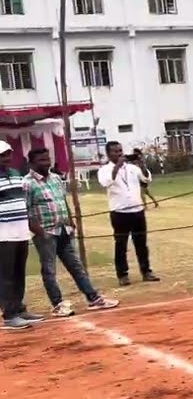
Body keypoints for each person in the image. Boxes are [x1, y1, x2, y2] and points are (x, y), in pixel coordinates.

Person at [25, 147, 118, 318]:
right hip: (46, 233)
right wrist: (39, 232)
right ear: (31, 163)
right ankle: (57, 304)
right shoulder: (27, 184)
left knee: (76, 266)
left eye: (47, 159)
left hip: (63, 230)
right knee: (49, 270)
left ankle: (93, 298)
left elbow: (62, 201)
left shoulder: (55, 178)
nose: (46, 163)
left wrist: (71, 222)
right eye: (41, 160)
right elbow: (27, 211)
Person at [98, 141, 159, 286]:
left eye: (120, 150)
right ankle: (122, 275)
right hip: (119, 212)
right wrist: (117, 167)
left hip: (137, 211)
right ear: (108, 154)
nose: (119, 154)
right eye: (115, 151)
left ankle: (146, 271)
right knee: (121, 245)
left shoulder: (132, 168)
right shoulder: (104, 170)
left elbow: (146, 179)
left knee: (141, 244)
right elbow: (106, 182)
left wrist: (142, 165)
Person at [0, 141, 40, 330]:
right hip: (3, 234)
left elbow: (22, 201)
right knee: (5, 275)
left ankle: (19, 308)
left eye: (8, 154)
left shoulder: (16, 175)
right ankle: (9, 315)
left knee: (18, 273)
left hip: (21, 231)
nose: (6, 159)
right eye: (2, 156)